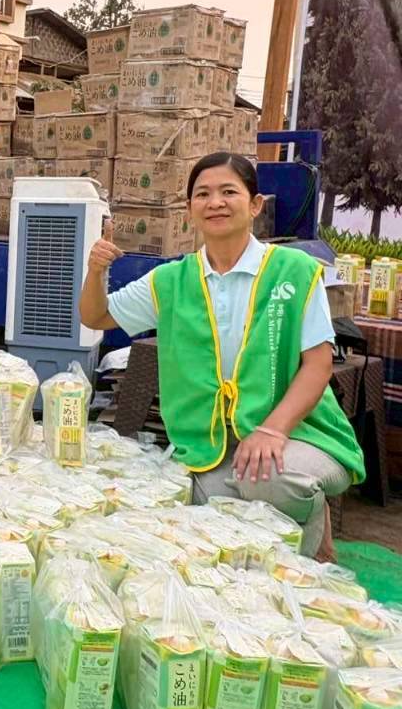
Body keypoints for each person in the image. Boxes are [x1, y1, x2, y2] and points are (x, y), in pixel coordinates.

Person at [79, 152, 365, 560]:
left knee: (267, 481)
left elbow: (318, 365)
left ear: (255, 205)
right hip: (213, 443)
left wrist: (272, 431)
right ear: (189, 210)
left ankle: (314, 554)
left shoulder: (294, 271)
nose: (215, 202)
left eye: (229, 192)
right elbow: (96, 315)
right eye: (203, 194)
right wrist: (95, 271)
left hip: (298, 432)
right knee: (207, 514)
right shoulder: (172, 280)